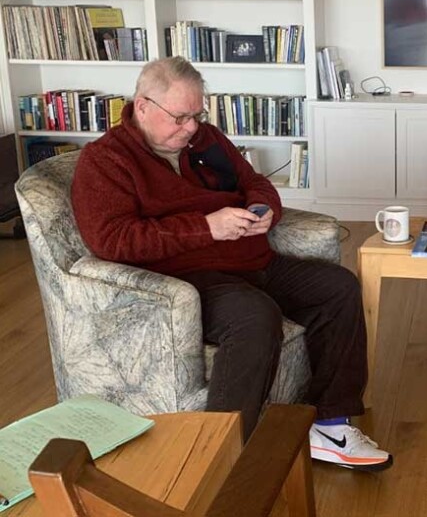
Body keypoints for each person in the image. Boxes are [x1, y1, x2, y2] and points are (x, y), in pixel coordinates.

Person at [70, 57, 392, 472]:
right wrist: (205, 228)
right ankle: (225, 453)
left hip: (252, 259)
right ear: (142, 106)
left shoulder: (205, 140)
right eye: (180, 117)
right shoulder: (105, 161)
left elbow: (253, 182)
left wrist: (263, 208)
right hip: (186, 279)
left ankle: (330, 423)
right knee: (254, 318)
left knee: (339, 286)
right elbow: (112, 240)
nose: (190, 127)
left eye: (197, 114)